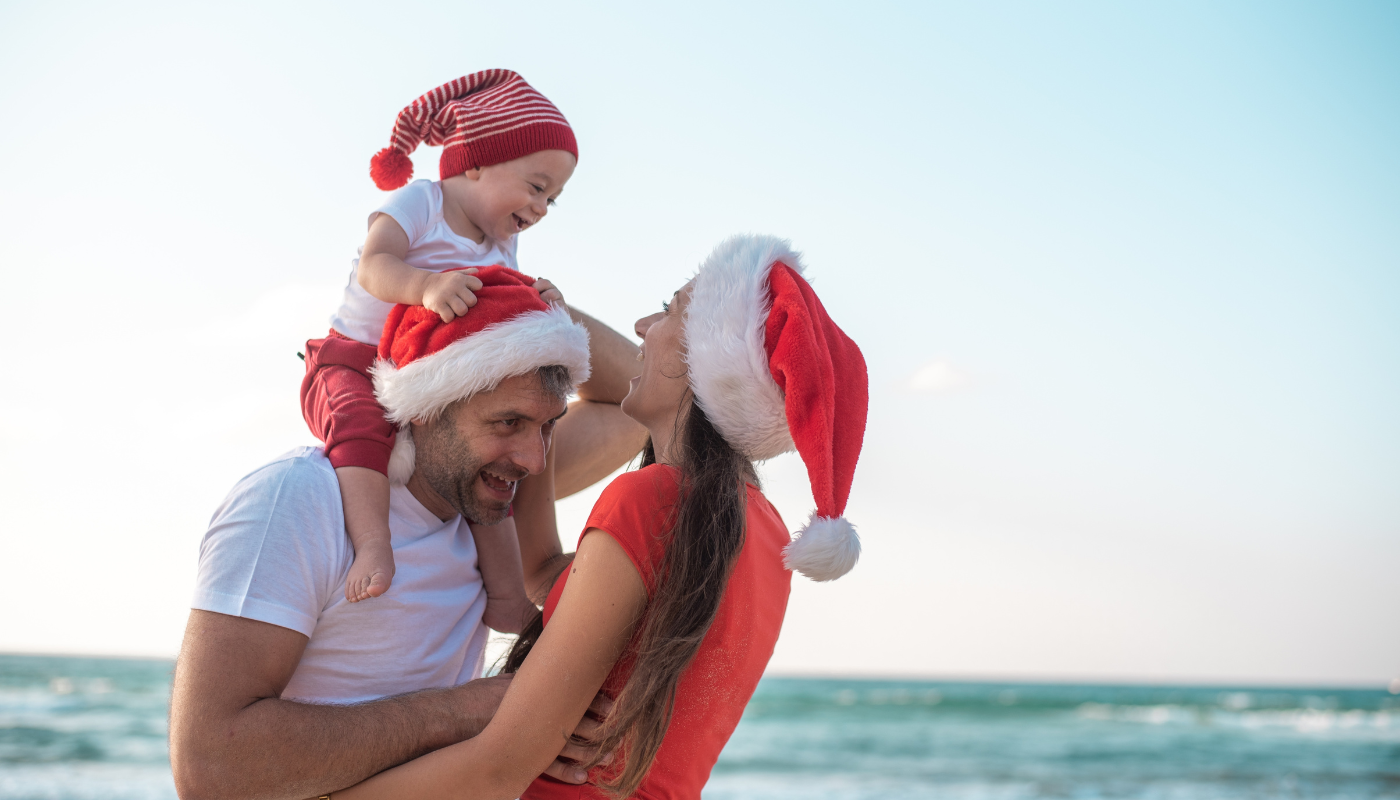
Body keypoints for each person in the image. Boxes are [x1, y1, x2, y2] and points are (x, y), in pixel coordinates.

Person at [333, 233, 869, 800]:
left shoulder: (653, 499)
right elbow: (542, 570)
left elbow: (496, 769)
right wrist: (544, 323)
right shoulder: (759, 525)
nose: (642, 326)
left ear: (708, 361)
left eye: (669, 311)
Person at [170, 267, 649, 800]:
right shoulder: (299, 499)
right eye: (508, 423)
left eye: (548, 427)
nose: (535, 463)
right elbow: (210, 768)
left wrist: (531, 302)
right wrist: (474, 713)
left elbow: (633, 402)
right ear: (424, 408)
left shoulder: (485, 504)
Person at [302, 70, 579, 622]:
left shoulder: (503, 243)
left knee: (478, 465)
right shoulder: (421, 202)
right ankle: (374, 543)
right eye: (536, 185)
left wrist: (544, 302)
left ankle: (506, 596)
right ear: (475, 162)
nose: (543, 206)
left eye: (554, 198)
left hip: (429, 381)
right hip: (355, 361)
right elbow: (375, 265)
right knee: (360, 430)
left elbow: (504, 305)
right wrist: (423, 287)